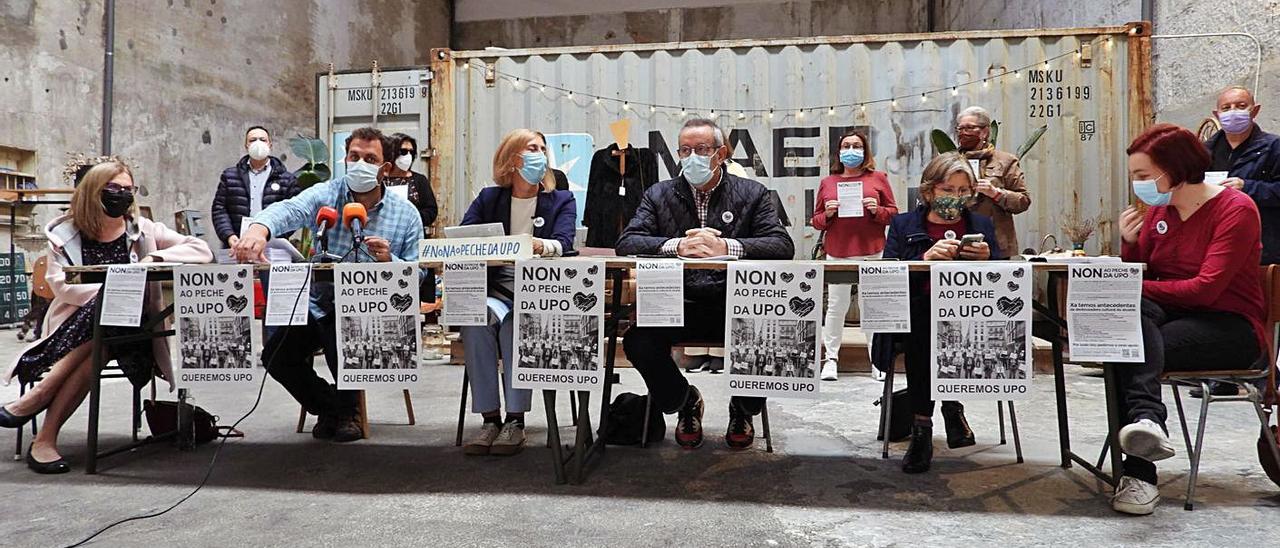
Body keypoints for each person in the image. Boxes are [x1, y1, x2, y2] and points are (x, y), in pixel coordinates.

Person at [1, 160, 213, 473]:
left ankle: (40, 400)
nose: (124, 196)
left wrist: (153, 258)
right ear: (93, 191)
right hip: (78, 329)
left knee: (114, 311)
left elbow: (202, 250)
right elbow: (61, 286)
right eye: (115, 189)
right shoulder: (65, 234)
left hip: (135, 333)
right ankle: (44, 438)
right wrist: (111, 295)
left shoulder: (143, 231)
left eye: (129, 190)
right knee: (102, 336)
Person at [1109, 123, 1266, 515]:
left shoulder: (1235, 210)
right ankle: (1147, 423)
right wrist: (1129, 248)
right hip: (1169, 316)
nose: (1138, 185)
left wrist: (1131, 288)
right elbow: (1145, 275)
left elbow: (1204, 290)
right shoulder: (1160, 210)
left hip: (1230, 325)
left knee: (1128, 342)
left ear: (1174, 170)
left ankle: (1139, 474)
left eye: (1144, 176)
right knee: (1122, 333)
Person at [232, 126, 423, 443]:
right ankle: (333, 407)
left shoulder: (407, 215)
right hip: (318, 304)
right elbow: (290, 209)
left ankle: (347, 412)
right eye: (354, 157)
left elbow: (421, 276)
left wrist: (391, 262)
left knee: (339, 326)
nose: (359, 164)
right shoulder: (328, 195)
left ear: (386, 168)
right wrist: (258, 229)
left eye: (370, 158)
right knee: (276, 355)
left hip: (375, 312)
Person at [617, 118, 795, 450]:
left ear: (721, 153)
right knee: (638, 341)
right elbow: (627, 242)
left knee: (771, 334)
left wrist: (726, 247)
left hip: (733, 302)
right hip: (677, 303)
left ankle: (743, 407)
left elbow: (782, 246)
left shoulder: (752, 193)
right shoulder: (659, 194)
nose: (692, 157)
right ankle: (685, 400)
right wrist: (676, 246)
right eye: (685, 150)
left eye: (701, 150)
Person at [875, 151, 1000, 474]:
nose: (955, 198)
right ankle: (928, 424)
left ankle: (936, 416)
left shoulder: (982, 225)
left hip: (971, 317)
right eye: (948, 190)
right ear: (929, 191)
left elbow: (1005, 282)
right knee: (925, 328)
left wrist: (989, 260)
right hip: (916, 315)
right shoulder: (903, 225)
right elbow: (886, 277)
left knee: (944, 329)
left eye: (963, 191)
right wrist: (924, 259)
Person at [458, 128, 577, 456]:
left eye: (542, 148)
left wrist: (540, 245)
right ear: (512, 159)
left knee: (516, 326)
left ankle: (515, 420)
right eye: (531, 148)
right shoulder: (488, 198)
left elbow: (565, 244)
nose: (539, 154)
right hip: (496, 289)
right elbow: (464, 236)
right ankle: (489, 419)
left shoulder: (561, 200)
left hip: (538, 292)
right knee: (476, 320)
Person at [812, 129, 898, 381]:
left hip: (872, 251)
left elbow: (894, 213)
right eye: (846, 146)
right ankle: (831, 359)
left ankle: (877, 360)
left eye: (856, 146)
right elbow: (816, 222)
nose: (851, 150)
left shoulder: (878, 178)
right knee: (836, 306)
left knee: (871, 308)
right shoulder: (828, 182)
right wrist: (827, 214)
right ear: (839, 152)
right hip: (838, 252)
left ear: (865, 150)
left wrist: (877, 210)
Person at [955, 106, 1030, 255]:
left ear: (984, 132)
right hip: (957, 240)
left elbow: (1023, 202)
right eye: (960, 129)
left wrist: (995, 193)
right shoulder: (949, 162)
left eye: (969, 128)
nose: (963, 133)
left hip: (997, 244)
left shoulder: (1006, 161)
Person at [211, 126, 301, 249]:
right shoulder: (230, 176)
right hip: (236, 246)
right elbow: (219, 209)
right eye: (253, 140)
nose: (258, 143)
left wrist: (273, 235)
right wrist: (229, 236)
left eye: (262, 140)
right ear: (246, 146)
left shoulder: (287, 179)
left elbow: (294, 214)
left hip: (273, 247)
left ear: (270, 145)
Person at [384, 133, 439, 233]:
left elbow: (431, 211)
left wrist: (411, 218)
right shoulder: (380, 179)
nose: (408, 156)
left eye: (411, 152)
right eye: (403, 151)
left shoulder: (419, 180)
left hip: (412, 234)